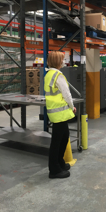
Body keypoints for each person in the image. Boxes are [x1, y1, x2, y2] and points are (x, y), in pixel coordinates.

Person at [44, 51, 76, 179]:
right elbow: (66, 94)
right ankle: (54, 170)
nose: (64, 61)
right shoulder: (58, 75)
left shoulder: (49, 74)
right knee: (57, 142)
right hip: (60, 113)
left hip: (55, 112)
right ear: (57, 61)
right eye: (62, 59)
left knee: (64, 137)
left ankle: (60, 162)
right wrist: (71, 106)